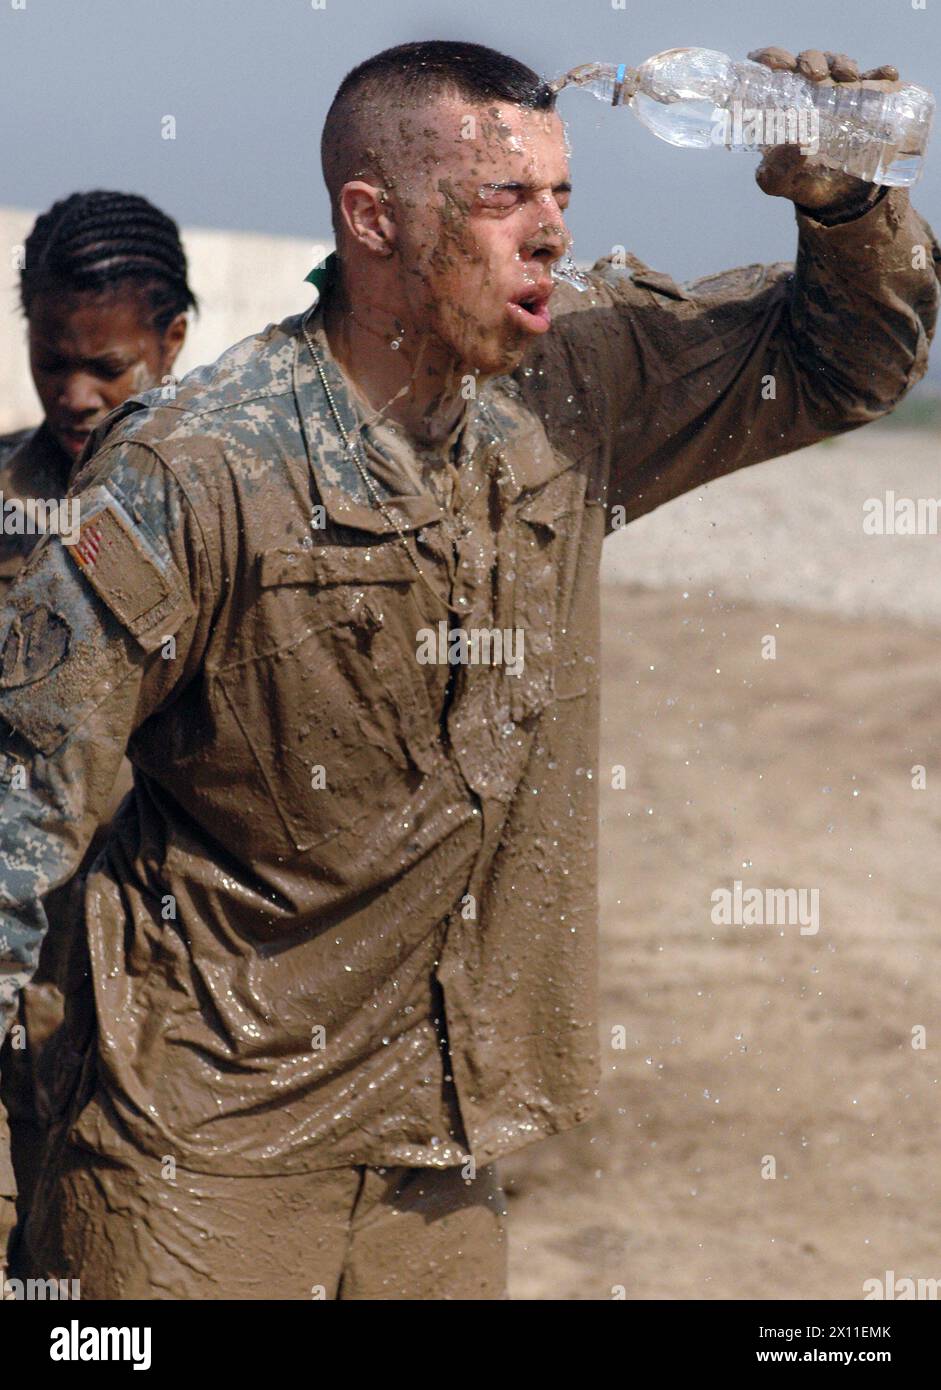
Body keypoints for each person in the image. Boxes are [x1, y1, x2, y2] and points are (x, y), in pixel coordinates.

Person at [0, 39, 937, 1300]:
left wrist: (844, 200)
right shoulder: (198, 473)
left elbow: (842, 361)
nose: (548, 233)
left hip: (433, 1158)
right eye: (503, 200)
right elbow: (26, 804)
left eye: (560, 197)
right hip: (194, 1162)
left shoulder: (576, 388)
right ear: (372, 218)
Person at [0, 190, 194, 1280]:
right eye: (50, 361)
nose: (74, 395)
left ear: (170, 343)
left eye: (108, 367)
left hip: (156, 1014)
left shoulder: (225, 510)